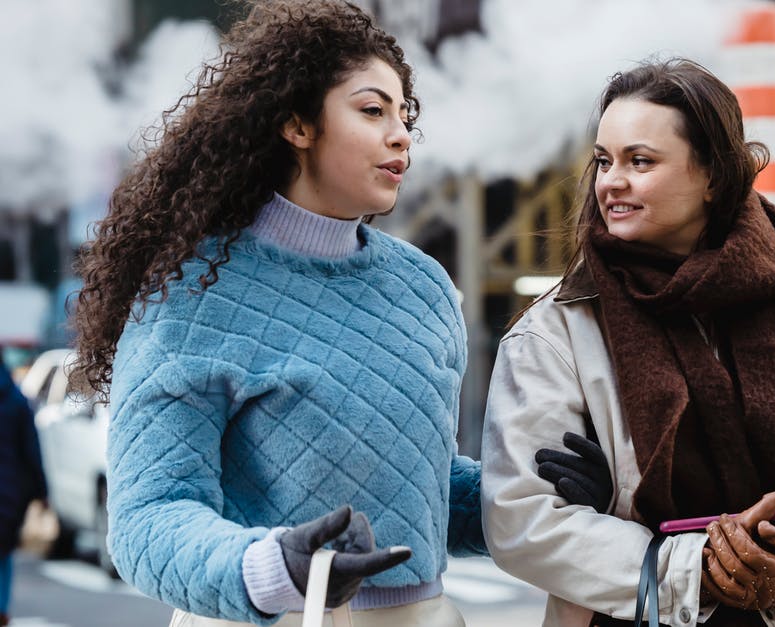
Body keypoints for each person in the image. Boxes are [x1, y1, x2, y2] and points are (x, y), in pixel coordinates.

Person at [70, 2, 607, 625]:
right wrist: (274, 568)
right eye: (373, 110)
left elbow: (422, 489)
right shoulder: (190, 290)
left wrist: (542, 496)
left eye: (405, 116)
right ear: (298, 124)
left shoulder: (423, 287)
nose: (401, 134)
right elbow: (149, 517)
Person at [482, 58, 775, 626]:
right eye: (604, 161)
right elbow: (521, 519)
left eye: (641, 161)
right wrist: (695, 566)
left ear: (712, 177)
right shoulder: (557, 331)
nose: (611, 181)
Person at [0, 356, 48, 627]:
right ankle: (1, 608)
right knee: (3, 554)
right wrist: (42, 491)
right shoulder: (16, 400)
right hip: (8, 495)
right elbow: (32, 451)